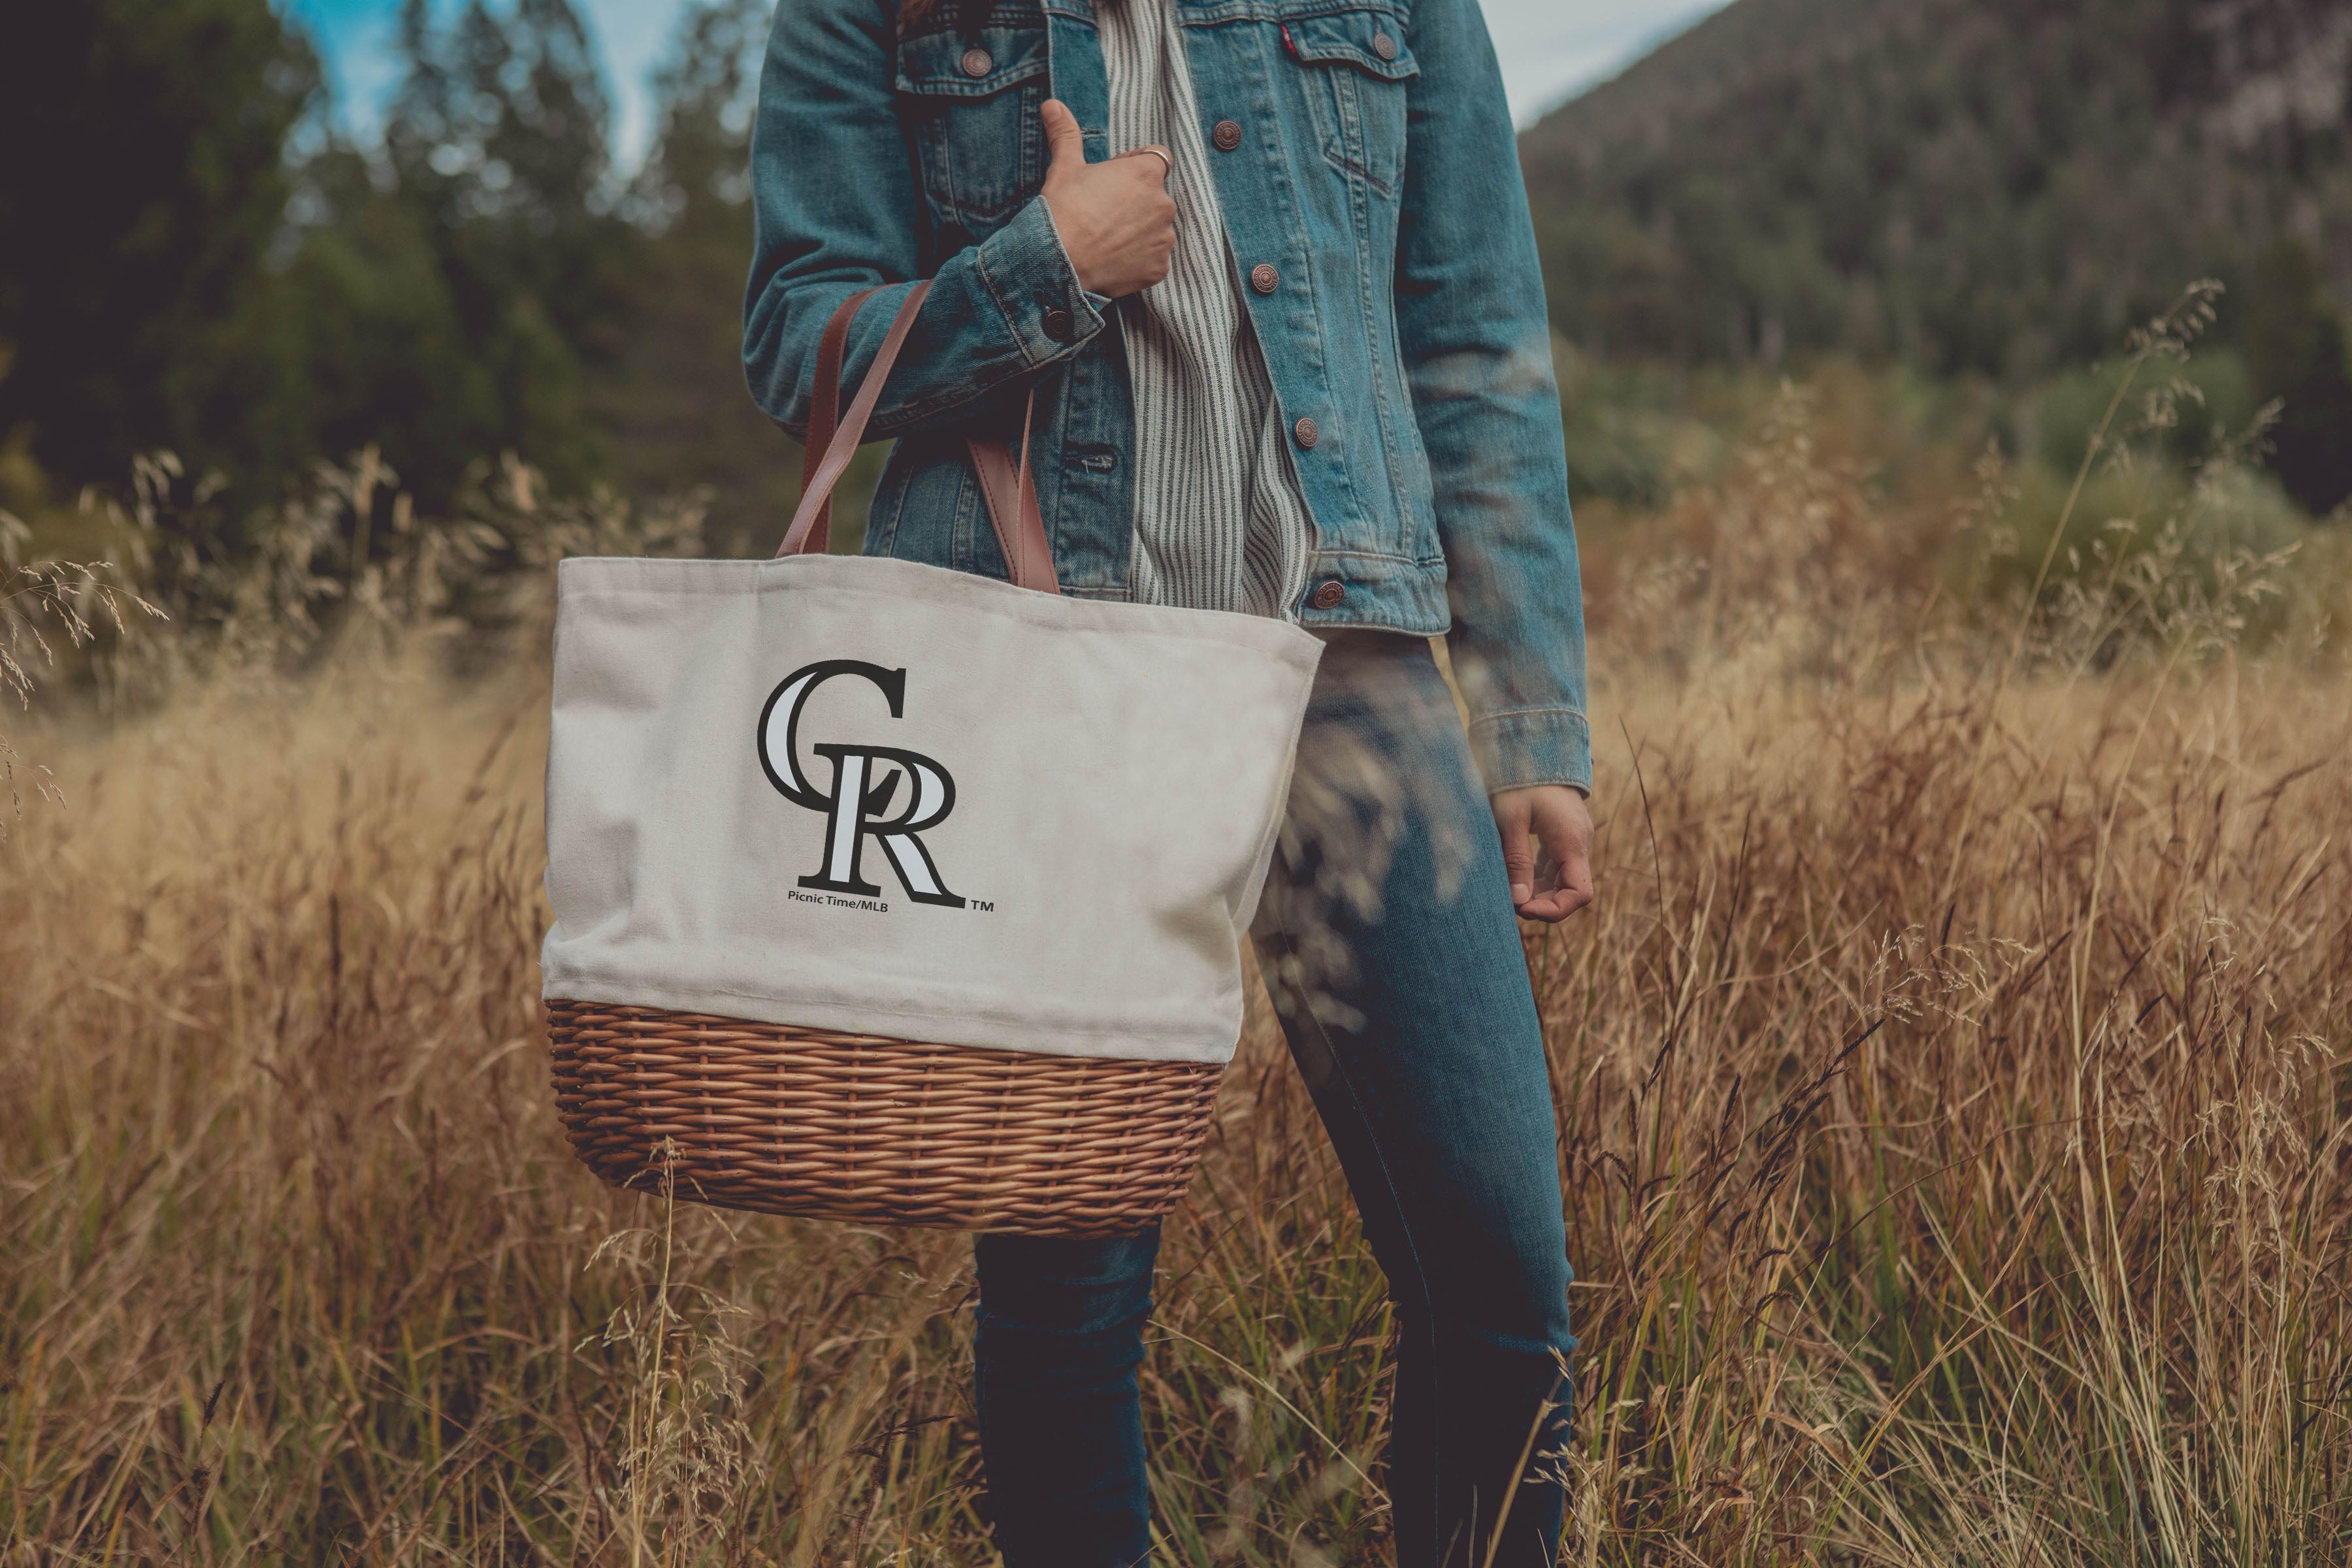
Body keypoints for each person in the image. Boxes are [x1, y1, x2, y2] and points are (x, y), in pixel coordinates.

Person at [744, 0, 1594, 1560]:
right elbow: (798, 338)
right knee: (1070, 1303)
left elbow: (1473, 339)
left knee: (1500, 1281)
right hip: (1051, 690)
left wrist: (1533, 714)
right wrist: (1038, 271)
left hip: (1352, 677)